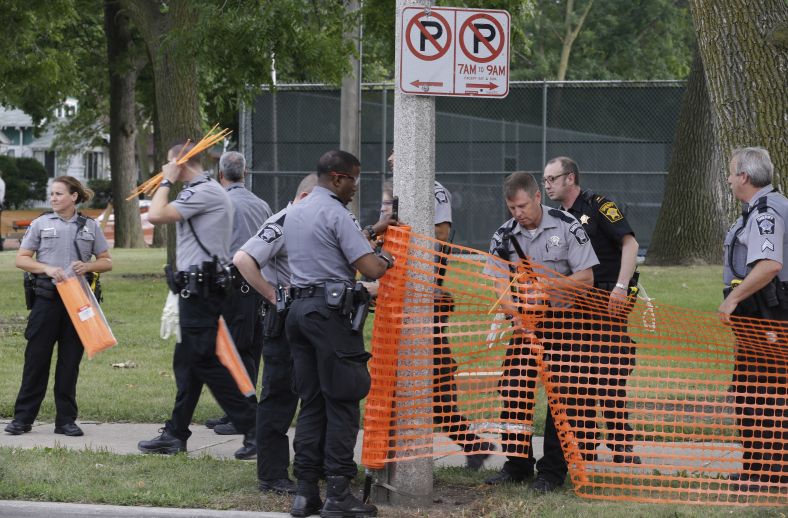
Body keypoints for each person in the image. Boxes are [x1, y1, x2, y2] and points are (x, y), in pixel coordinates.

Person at [284, 150, 395, 518]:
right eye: (353, 180)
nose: (355, 187)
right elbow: (371, 268)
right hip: (330, 316)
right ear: (336, 177)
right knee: (343, 402)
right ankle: (337, 494)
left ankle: (305, 493)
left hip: (297, 312)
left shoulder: (295, 210)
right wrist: (387, 258)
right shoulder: (336, 212)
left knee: (312, 403)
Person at [137, 142, 257, 457]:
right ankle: (175, 433)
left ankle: (255, 428)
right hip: (195, 288)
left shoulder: (203, 190)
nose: (165, 169)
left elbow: (156, 214)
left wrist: (165, 179)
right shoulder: (200, 190)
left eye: (168, 163)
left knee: (204, 361)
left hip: (201, 290)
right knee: (187, 363)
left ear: (180, 161)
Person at [483, 172, 598, 493]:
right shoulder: (504, 236)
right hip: (524, 326)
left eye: (522, 205)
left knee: (562, 400)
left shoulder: (567, 225)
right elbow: (498, 283)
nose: (517, 213)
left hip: (564, 325)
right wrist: (513, 311)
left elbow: (586, 278)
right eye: (511, 207)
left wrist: (546, 286)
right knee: (514, 393)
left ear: (537, 197)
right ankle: (517, 465)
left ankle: (551, 473)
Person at [380, 180, 495, 469]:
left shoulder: (429, 189)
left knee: (435, 382)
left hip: (424, 305)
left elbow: (441, 233)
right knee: (409, 386)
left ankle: (473, 444)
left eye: (387, 204)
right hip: (406, 310)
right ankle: (473, 444)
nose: (392, 156)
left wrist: (427, 281)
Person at [543, 156, 641, 464]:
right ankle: (585, 444)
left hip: (607, 303)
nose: (547, 186)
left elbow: (630, 245)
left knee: (610, 374)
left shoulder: (598, 206)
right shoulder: (556, 217)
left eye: (552, 179)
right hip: (575, 307)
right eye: (545, 180)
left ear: (570, 178)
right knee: (577, 375)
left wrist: (622, 287)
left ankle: (621, 444)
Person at [6, 176, 112, 437]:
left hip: (78, 304)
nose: (53, 198)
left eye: (58, 194)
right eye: (51, 194)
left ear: (74, 197)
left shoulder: (90, 226)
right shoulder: (41, 223)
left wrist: (87, 266)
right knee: (36, 361)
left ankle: (65, 421)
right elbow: (22, 259)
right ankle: (22, 419)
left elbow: (106, 261)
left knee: (69, 363)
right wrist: (46, 268)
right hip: (47, 301)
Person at [233, 173, 318, 495]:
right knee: (279, 397)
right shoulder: (282, 222)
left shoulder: (310, 222)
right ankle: (272, 473)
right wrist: (271, 294)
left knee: (313, 393)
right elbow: (243, 258)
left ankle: (311, 464)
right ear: (308, 196)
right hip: (284, 319)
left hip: (310, 318)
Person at [720, 146, 787, 491]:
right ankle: (757, 466)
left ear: (744, 177)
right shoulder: (759, 208)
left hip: (768, 310)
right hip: (761, 310)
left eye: (732, 173)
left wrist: (732, 299)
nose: (729, 179)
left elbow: (769, 265)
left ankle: (769, 471)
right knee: (751, 388)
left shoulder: (765, 211)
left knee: (764, 391)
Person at [204, 151, 272, 441]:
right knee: (246, 346)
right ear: (245, 173)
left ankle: (243, 412)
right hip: (256, 284)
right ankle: (235, 408)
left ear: (221, 174)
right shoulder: (262, 205)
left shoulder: (220, 204)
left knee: (236, 349)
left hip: (232, 284)